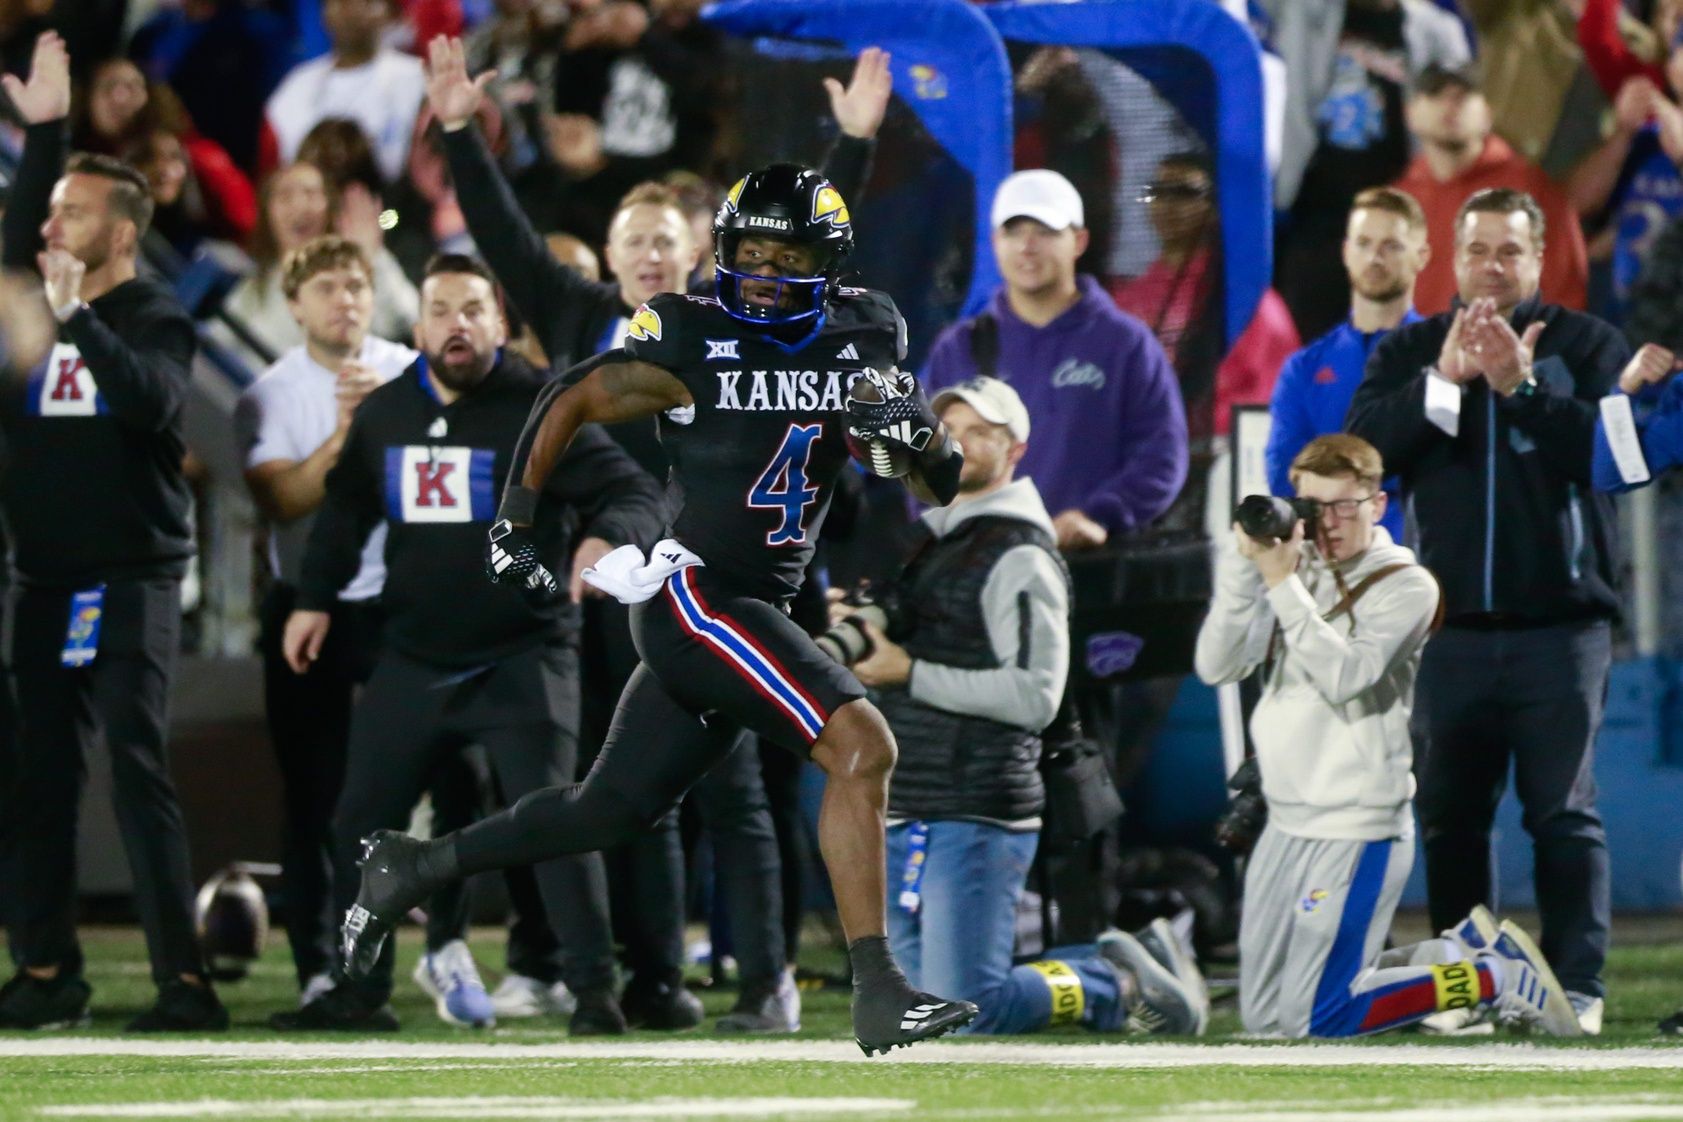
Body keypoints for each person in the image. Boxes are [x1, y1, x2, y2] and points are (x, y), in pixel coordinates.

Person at [340, 160, 983, 1055]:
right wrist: (518, 521)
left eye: (782, 251)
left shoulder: (862, 335)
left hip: (754, 603)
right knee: (862, 744)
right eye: (746, 249)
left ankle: (410, 866)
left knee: (607, 811)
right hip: (700, 596)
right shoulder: (690, 333)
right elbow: (570, 394)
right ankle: (879, 989)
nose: (760, 268)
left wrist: (911, 432)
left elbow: (938, 481)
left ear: (823, 261)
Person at [425, 34, 890, 1032]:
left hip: (758, 567)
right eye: (628, 237)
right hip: (635, 579)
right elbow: (519, 269)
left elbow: (804, 256)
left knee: (691, 799)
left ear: (691, 257)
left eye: (661, 240)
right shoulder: (617, 320)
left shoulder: (757, 314)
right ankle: (629, 972)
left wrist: (849, 151)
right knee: (648, 794)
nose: (644, 254)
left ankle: (753, 978)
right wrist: (462, 134)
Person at [277, 253, 665, 1031]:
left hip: (522, 653)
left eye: (472, 310)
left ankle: (594, 994)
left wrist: (602, 539)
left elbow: (633, 490)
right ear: (417, 329)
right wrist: (312, 600)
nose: (457, 325)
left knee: (558, 824)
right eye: (441, 310)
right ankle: (358, 992)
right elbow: (347, 512)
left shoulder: (542, 409)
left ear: (500, 325)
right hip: (414, 654)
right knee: (360, 823)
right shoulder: (385, 413)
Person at [1347, 187, 1626, 1036]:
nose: (1492, 268)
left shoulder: (1588, 344)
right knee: (1450, 815)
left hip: (1562, 627)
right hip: (1445, 633)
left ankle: (1577, 987)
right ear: (1452, 258)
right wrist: (1446, 384)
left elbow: (1616, 459)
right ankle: (1467, 982)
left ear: (1540, 258)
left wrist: (1524, 386)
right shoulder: (1409, 350)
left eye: (1509, 251)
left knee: (1562, 816)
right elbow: (1364, 453)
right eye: (1477, 251)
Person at [1194, 433, 1581, 1038]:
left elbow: (1347, 675)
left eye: (1346, 505)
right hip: (1286, 817)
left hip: (1356, 822)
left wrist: (1279, 585)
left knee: (1318, 1020)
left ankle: (1494, 979)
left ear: (1377, 504)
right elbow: (1217, 666)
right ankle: (1453, 958)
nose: (1330, 523)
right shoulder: (1295, 572)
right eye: (1314, 507)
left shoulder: (1407, 584)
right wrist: (1244, 575)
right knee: (1266, 1020)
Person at [857, 376, 1206, 1037]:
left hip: (975, 800)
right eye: (945, 430)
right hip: (906, 799)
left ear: (1015, 448)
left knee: (965, 1012)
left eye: (977, 432)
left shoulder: (1020, 553)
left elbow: (1035, 698)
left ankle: (1112, 980)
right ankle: (1113, 964)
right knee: (920, 1009)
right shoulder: (932, 543)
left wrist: (908, 670)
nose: (955, 442)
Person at [0, 31, 225, 1032]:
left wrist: (77, 319)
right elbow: (19, 245)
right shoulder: (30, 313)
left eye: (75, 212)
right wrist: (44, 132)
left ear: (124, 230)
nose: (53, 222)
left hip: (132, 576)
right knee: (36, 782)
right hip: (45, 580)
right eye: (52, 209)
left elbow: (152, 407)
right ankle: (48, 973)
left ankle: (185, 981)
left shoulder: (149, 313)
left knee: (136, 769)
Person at [233, 234, 415, 1008]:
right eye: (329, 287)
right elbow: (280, 501)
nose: (346, 300)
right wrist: (348, 436)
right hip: (308, 606)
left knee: (405, 789)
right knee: (311, 792)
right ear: (296, 302)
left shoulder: (411, 373)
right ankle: (317, 962)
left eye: (357, 286)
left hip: (404, 603)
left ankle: (420, 956)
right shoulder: (268, 393)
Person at [922, 168, 1188, 553]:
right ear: (995, 241)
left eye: (1045, 231)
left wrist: (1097, 516)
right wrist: (949, 534)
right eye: (1013, 231)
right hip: (978, 567)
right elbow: (922, 455)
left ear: (1078, 241)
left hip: (1090, 567)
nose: (1027, 247)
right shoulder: (960, 346)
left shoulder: (1125, 343)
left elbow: (1162, 456)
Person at [1266, 186, 1429, 541]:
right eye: (1364, 243)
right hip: (1325, 560)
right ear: (1345, 251)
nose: (1375, 257)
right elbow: (1286, 474)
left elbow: (1442, 471)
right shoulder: (1304, 368)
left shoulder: (1444, 358)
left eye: (1392, 246)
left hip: (1418, 557)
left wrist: (1333, 490)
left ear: (1422, 255)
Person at [1393, 62, 1589, 316]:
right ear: (1410, 113)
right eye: (1435, 94)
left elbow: (1564, 292)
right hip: (1418, 353)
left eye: (1463, 96)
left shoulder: (1528, 189)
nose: (1450, 105)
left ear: (1487, 114)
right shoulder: (1400, 199)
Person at [262, 0, 427, 185]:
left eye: (366, 2)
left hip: (391, 210)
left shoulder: (418, 81)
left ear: (389, 13)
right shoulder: (295, 88)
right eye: (341, 2)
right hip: (311, 208)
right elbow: (271, 176)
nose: (352, 9)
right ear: (325, 14)